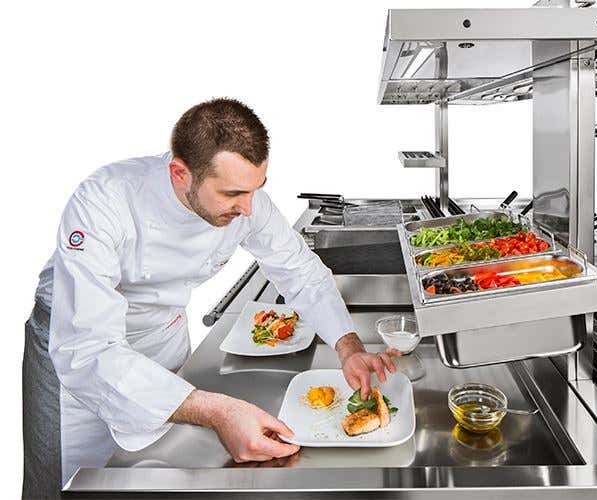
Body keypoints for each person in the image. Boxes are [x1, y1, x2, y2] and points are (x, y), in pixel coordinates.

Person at [22, 98, 400, 498]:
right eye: (232, 193)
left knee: (152, 478)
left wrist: (348, 346)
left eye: (256, 189)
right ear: (180, 173)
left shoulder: (246, 201)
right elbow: (88, 348)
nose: (248, 207)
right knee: (69, 485)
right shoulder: (103, 202)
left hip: (162, 340)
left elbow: (301, 271)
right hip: (74, 355)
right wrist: (217, 411)